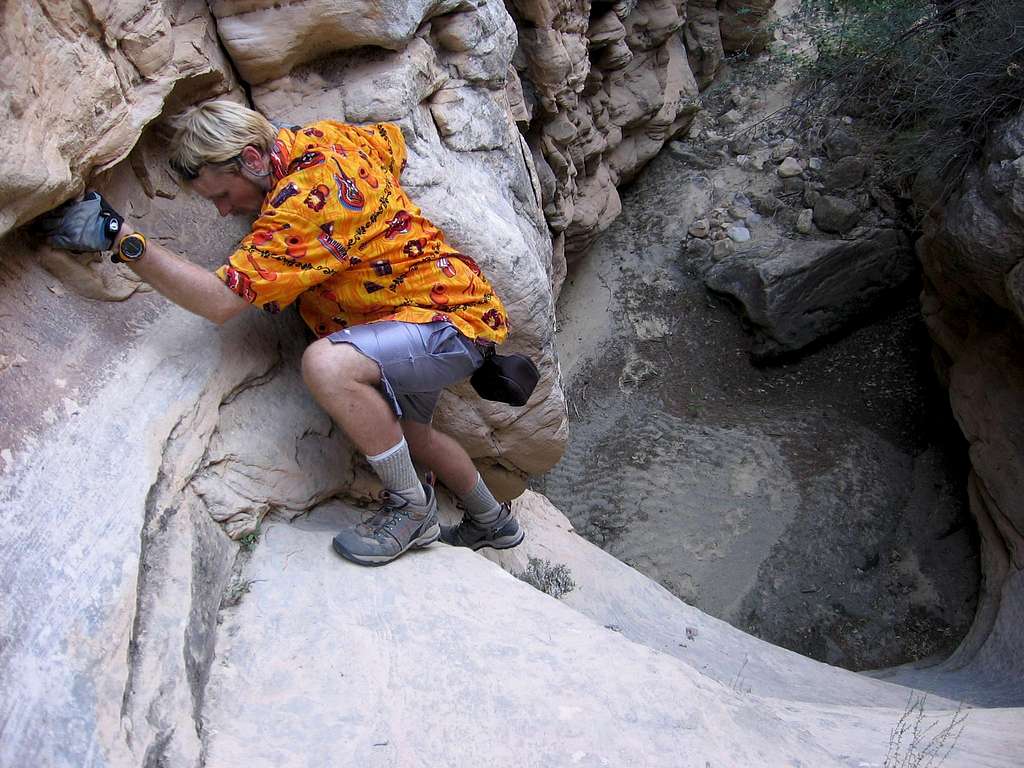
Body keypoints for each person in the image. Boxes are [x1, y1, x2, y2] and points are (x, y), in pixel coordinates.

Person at [40, 100, 524, 567]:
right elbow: (392, 141)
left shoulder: (301, 206)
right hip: (449, 308)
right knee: (415, 435)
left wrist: (120, 237)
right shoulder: (323, 137)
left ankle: (412, 511)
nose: (224, 213)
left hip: (442, 326)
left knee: (326, 364)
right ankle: (493, 521)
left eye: (223, 196)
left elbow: (218, 301)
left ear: (251, 159)